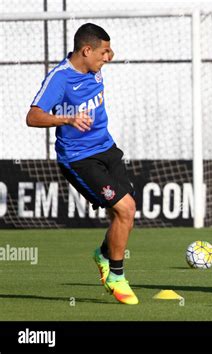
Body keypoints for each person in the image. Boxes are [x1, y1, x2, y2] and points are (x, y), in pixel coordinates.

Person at [26, 23, 138, 305]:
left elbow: (104, 56)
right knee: (125, 210)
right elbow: (33, 116)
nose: (108, 57)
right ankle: (116, 276)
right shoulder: (60, 79)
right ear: (86, 50)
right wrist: (66, 119)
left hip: (107, 149)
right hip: (79, 158)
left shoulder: (94, 67)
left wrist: (107, 50)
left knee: (124, 214)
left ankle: (103, 253)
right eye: (103, 52)